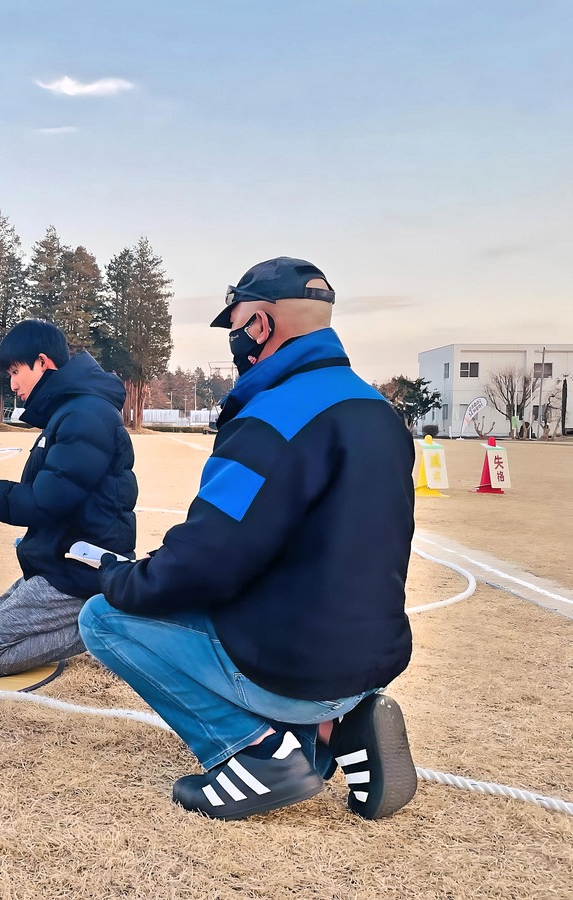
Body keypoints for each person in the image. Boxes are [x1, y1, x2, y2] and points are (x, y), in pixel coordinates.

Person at [78, 257, 418, 821]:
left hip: (295, 663)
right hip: (368, 656)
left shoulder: (275, 415)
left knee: (102, 618)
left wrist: (119, 576)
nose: (234, 340)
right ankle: (340, 729)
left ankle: (258, 753)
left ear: (259, 325)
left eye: (235, 325)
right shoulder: (378, 410)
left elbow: (207, 561)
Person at [0, 319, 138, 678]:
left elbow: (42, 503)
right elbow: (46, 495)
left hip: (79, 569)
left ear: (43, 362)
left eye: (16, 371)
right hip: (55, 560)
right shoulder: (67, 413)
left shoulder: (86, 415)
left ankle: (109, 621)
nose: (13, 383)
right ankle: (100, 613)